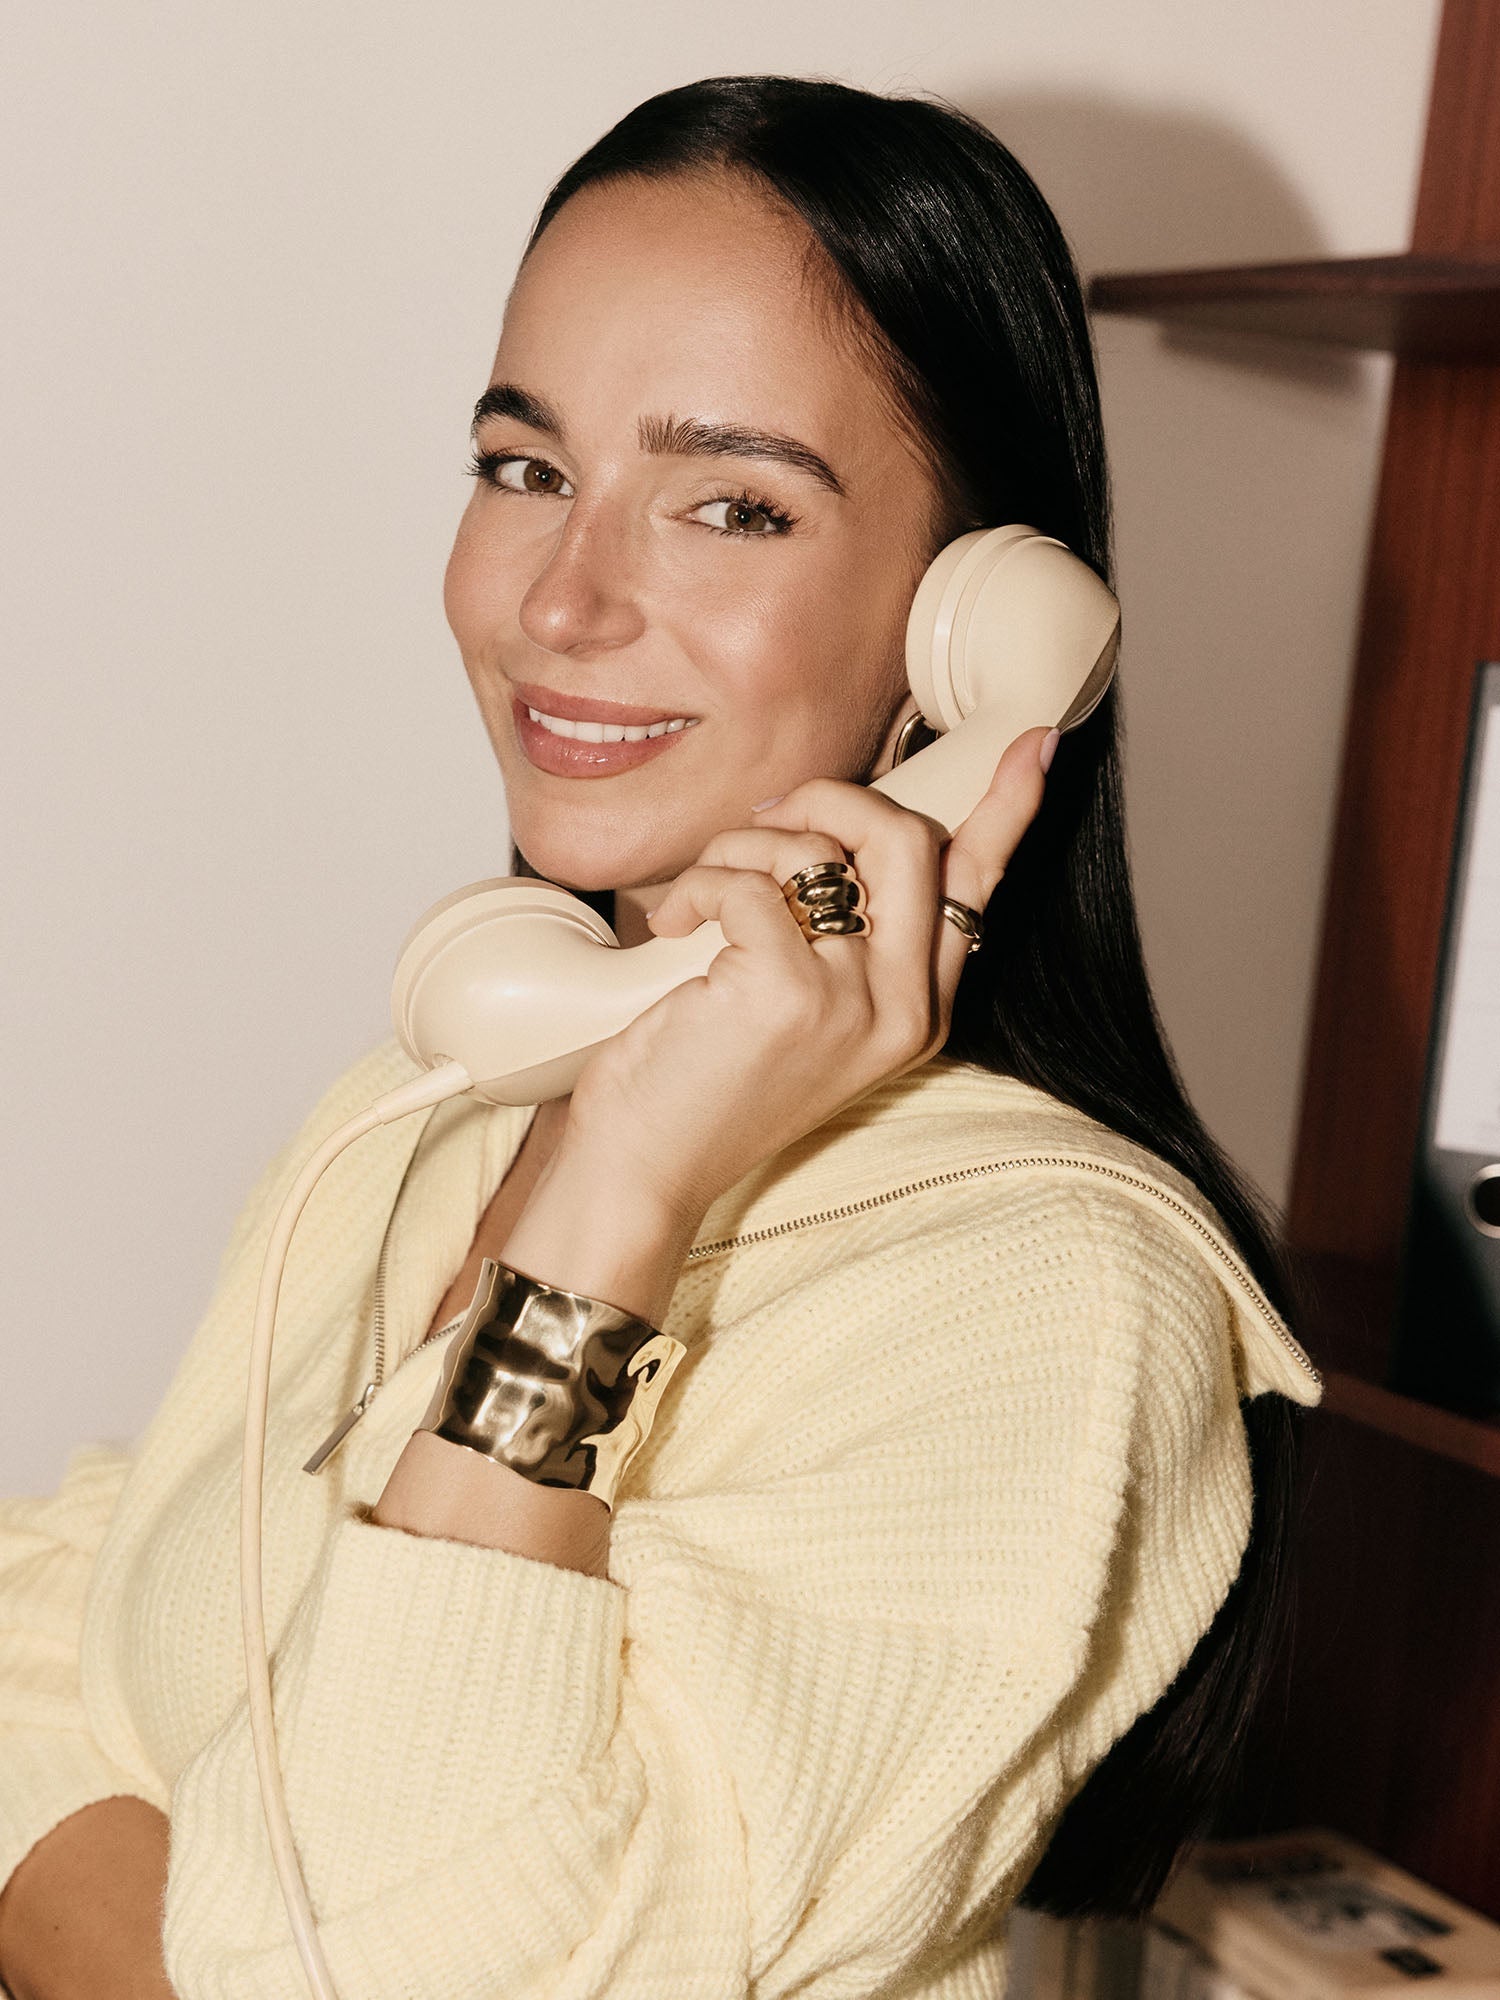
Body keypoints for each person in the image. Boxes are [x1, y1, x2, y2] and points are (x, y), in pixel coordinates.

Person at [0, 74, 1322, 2000]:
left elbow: (393, 1962)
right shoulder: (442, 1107)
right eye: (525, 467)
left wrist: (619, 1198)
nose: (558, 601)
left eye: (730, 505)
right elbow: (51, 1636)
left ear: (981, 631)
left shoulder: (1049, 1286)